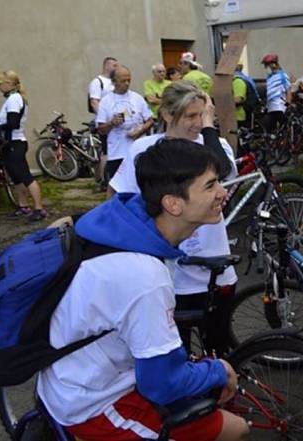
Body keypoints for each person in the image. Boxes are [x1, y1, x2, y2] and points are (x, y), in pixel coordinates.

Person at [36, 140, 250, 441]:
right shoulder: (144, 276)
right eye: (210, 185)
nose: (222, 192)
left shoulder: (127, 220)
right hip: (92, 402)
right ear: (173, 203)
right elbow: (160, 384)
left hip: (85, 371)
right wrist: (220, 369)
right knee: (236, 429)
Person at [110, 80, 237, 356]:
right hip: (167, 275)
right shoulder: (144, 149)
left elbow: (223, 171)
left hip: (215, 271)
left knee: (219, 351)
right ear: (167, 114)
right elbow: (117, 200)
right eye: (191, 116)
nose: (197, 123)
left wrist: (207, 126)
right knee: (172, 352)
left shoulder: (215, 145)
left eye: (202, 115)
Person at [0, 70, 46, 221]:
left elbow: (13, 123)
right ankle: (23, 206)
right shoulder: (11, 99)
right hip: (10, 143)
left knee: (25, 176)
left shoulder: (14, 99)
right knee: (16, 177)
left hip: (15, 143)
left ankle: (39, 209)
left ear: (9, 84)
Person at [96, 65, 153, 187]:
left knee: (141, 185)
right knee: (118, 188)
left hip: (138, 151)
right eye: (123, 81)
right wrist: (111, 123)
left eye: (129, 80)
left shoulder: (137, 98)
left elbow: (150, 120)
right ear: (114, 82)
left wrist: (140, 131)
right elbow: (100, 130)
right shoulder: (106, 101)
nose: (127, 83)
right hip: (117, 152)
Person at [89, 56, 118, 189]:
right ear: (106, 66)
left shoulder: (114, 82)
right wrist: (104, 119)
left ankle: (103, 178)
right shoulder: (97, 82)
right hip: (106, 123)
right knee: (107, 151)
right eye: (114, 65)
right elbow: (94, 101)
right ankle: (103, 181)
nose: (116, 68)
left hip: (116, 123)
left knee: (110, 151)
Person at [261, 53, 292, 134]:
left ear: (274, 64)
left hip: (280, 106)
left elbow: (288, 89)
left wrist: (288, 103)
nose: (266, 67)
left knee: (284, 128)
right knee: (269, 129)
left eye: (267, 65)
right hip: (270, 107)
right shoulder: (269, 77)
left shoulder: (282, 76)